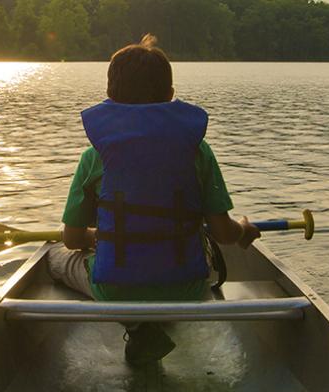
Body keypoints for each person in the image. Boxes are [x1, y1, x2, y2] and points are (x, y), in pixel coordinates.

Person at [44, 34, 261, 365]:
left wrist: (97, 237)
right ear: (171, 96)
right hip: (186, 289)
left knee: (55, 257)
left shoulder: (95, 156)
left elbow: (72, 239)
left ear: (110, 97)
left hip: (115, 291)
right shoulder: (197, 151)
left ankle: (136, 322)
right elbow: (222, 233)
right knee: (193, 256)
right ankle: (159, 319)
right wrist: (243, 230)